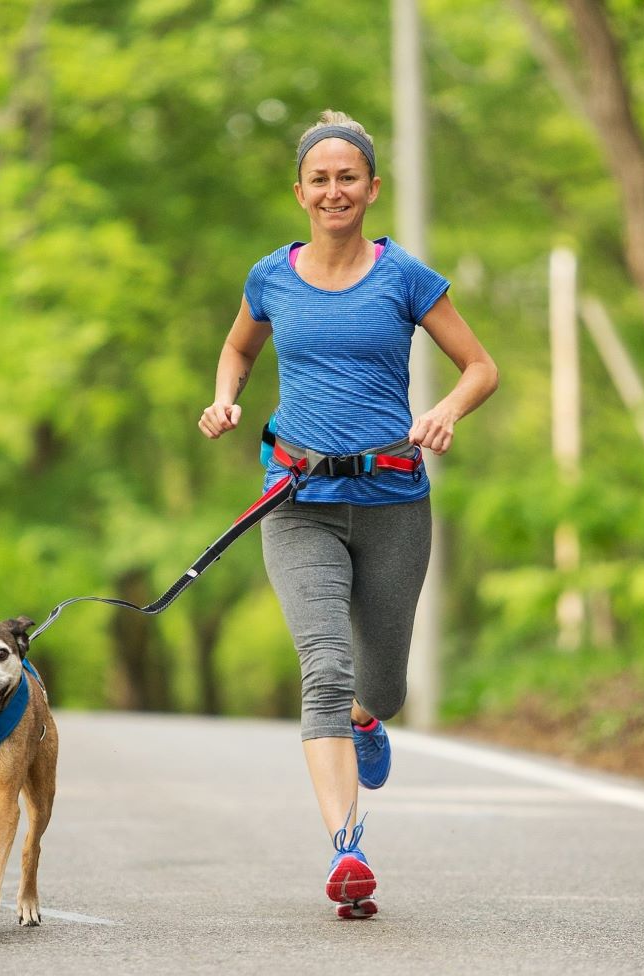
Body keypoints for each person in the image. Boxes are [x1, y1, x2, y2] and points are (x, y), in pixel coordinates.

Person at [198, 110, 499, 920]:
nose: (334, 190)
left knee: (383, 686)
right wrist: (225, 399)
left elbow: (480, 365)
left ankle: (369, 718)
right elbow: (238, 348)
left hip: (394, 502)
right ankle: (347, 851)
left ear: (371, 188)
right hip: (298, 502)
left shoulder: (405, 278)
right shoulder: (271, 277)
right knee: (324, 669)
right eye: (320, 179)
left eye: (349, 177)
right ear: (299, 191)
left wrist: (445, 413)